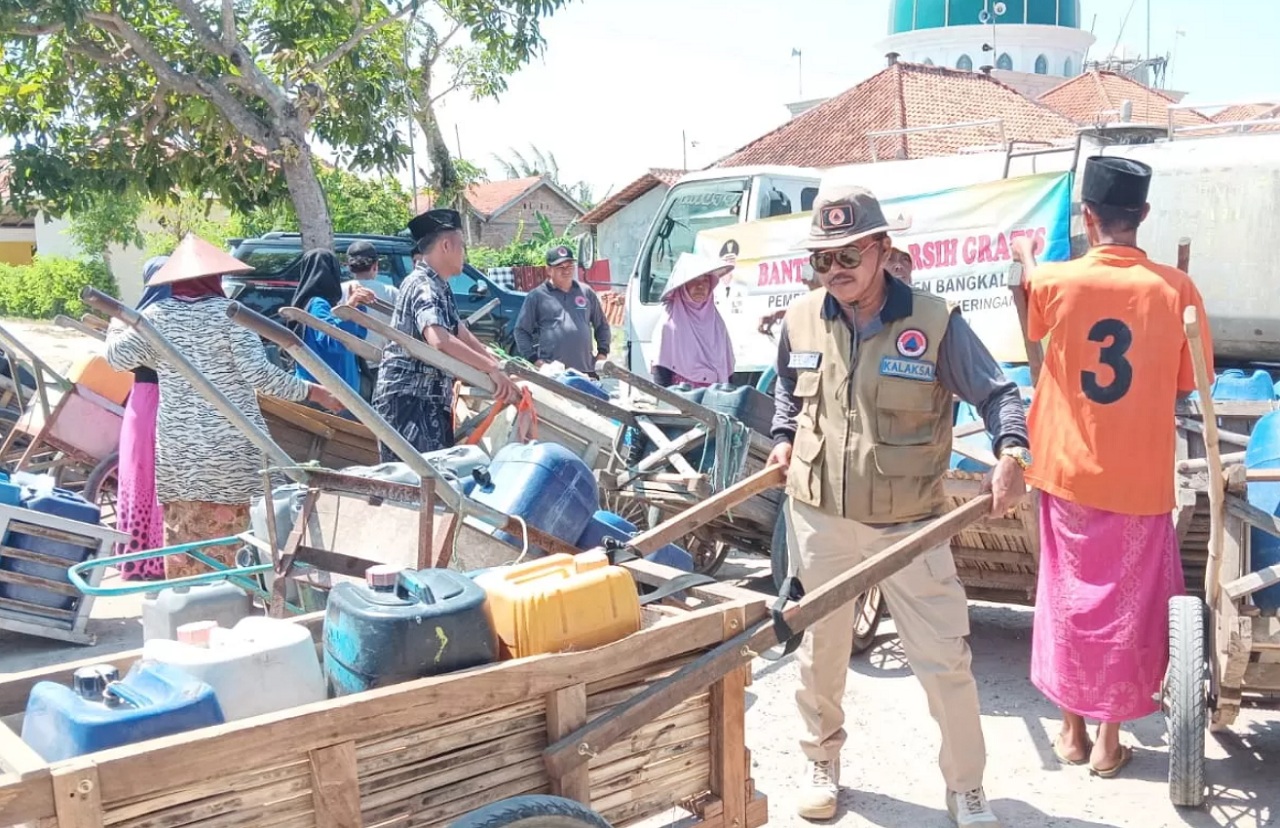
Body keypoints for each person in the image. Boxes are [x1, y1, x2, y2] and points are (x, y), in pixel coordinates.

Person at [768, 184, 1031, 826]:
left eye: (849, 256)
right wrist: (781, 439)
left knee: (944, 659)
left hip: (911, 525)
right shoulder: (802, 318)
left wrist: (1012, 455)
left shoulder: (935, 322)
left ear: (883, 251)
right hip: (820, 517)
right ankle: (821, 761)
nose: (834, 271)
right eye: (822, 259)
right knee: (819, 651)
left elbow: (999, 395)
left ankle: (966, 788)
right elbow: (785, 391)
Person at [1012, 156, 1213, 778]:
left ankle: (1070, 732)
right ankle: (1107, 739)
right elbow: (1193, 382)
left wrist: (1025, 261)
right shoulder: (1175, 290)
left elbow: (1034, 333)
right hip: (1139, 478)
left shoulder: (1055, 280)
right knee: (1126, 606)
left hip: (1068, 470)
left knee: (1069, 599)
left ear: (1088, 216)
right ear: (1143, 216)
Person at [105, 234, 343, 580]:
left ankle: (195, 616)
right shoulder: (232, 315)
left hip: (180, 452)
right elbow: (261, 375)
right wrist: (314, 392)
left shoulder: (155, 316)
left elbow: (116, 358)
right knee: (243, 543)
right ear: (215, 278)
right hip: (234, 448)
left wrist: (115, 327)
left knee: (186, 546)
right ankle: (243, 606)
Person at [372, 209, 518, 462]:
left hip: (427, 399)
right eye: (462, 245)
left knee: (436, 484)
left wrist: (495, 366)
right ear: (446, 245)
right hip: (410, 402)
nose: (464, 253)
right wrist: (491, 368)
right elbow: (439, 339)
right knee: (421, 485)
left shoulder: (440, 285)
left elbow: (460, 332)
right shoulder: (424, 285)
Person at [112, 255, 169, 581]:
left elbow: (118, 359)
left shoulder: (135, 318)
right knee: (163, 479)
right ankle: (160, 562)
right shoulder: (174, 316)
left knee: (138, 477)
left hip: (141, 401)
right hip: (173, 402)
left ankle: (134, 562)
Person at [286, 249, 376, 393]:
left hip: (336, 390)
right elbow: (333, 340)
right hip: (330, 394)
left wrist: (355, 305)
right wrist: (350, 307)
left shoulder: (319, 305)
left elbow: (358, 337)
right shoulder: (317, 304)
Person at [513, 245, 610, 376]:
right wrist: (536, 361)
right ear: (549, 270)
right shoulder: (537, 296)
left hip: (587, 370)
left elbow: (602, 325)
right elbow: (521, 331)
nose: (566, 271)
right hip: (554, 374)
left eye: (570, 266)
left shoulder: (586, 292)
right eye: (560, 267)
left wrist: (602, 354)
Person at [650, 253, 736, 388]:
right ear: (683, 286)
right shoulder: (669, 323)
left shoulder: (717, 324)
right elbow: (661, 370)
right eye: (694, 280)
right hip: (682, 398)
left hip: (715, 397)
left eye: (705, 281)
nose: (700, 286)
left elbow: (728, 369)